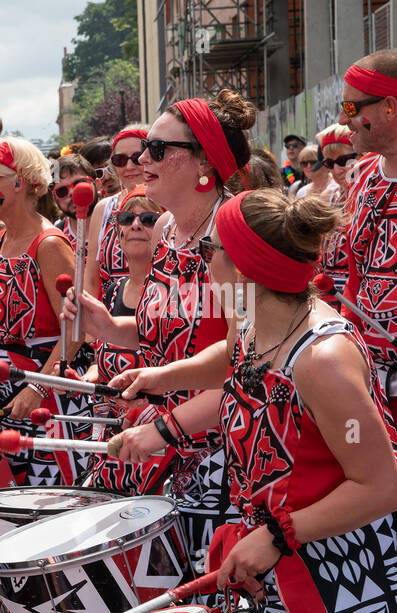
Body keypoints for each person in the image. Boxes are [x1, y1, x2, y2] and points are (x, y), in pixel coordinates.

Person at [113, 189, 397, 613]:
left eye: (213, 247)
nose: (200, 256)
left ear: (243, 266)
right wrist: (162, 407)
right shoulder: (256, 320)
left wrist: (278, 532)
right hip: (287, 573)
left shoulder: (322, 362)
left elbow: (384, 482)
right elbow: (234, 373)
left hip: (338, 585)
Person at [64, 90, 255, 559]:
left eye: (159, 149)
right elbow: (161, 334)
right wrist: (108, 326)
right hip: (164, 434)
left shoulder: (234, 235)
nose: (142, 159)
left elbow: (245, 356)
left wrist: (165, 424)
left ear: (205, 164)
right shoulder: (167, 228)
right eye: (145, 145)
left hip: (226, 448)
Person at [0, 138, 84, 485]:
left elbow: (77, 331)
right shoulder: (0, 239)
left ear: (19, 182)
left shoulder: (48, 244)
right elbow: (15, 322)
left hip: (46, 401)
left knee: (49, 510)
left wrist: (37, 388)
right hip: (7, 395)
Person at [82, 187, 171, 493]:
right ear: (117, 233)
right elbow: (104, 356)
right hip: (112, 432)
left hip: (157, 438)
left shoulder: (175, 293)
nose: (135, 225)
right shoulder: (113, 289)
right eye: (126, 218)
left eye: (148, 218)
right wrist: (92, 372)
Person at [337, 50, 397, 402]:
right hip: (372, 379)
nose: (343, 118)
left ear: (389, 107)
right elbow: (354, 273)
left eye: (352, 108)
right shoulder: (361, 175)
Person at [81, 126, 148, 301]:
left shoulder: (168, 204)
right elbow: (91, 279)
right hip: (111, 315)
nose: (129, 166)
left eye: (137, 158)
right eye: (120, 160)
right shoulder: (103, 209)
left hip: (158, 314)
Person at [315, 125, 357, 302]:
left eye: (344, 160)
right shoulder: (328, 197)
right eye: (329, 163)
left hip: (357, 297)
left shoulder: (372, 195)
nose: (337, 169)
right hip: (329, 297)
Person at [52, 153, 98, 249]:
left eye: (79, 183)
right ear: (54, 198)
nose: (73, 192)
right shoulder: (56, 238)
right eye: (62, 191)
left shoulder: (122, 225)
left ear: (97, 184)